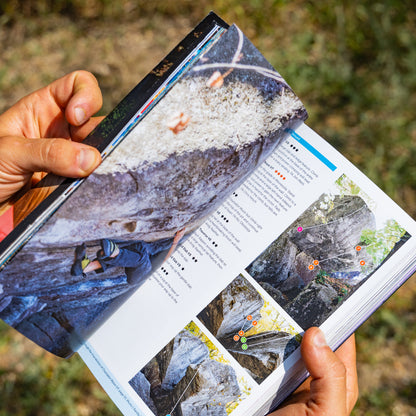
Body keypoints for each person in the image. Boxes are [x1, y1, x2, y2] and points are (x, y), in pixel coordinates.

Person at [0, 71, 358, 414]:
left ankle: (102, 257)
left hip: (89, 265)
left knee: (133, 260)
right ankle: (102, 256)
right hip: (77, 264)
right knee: (132, 260)